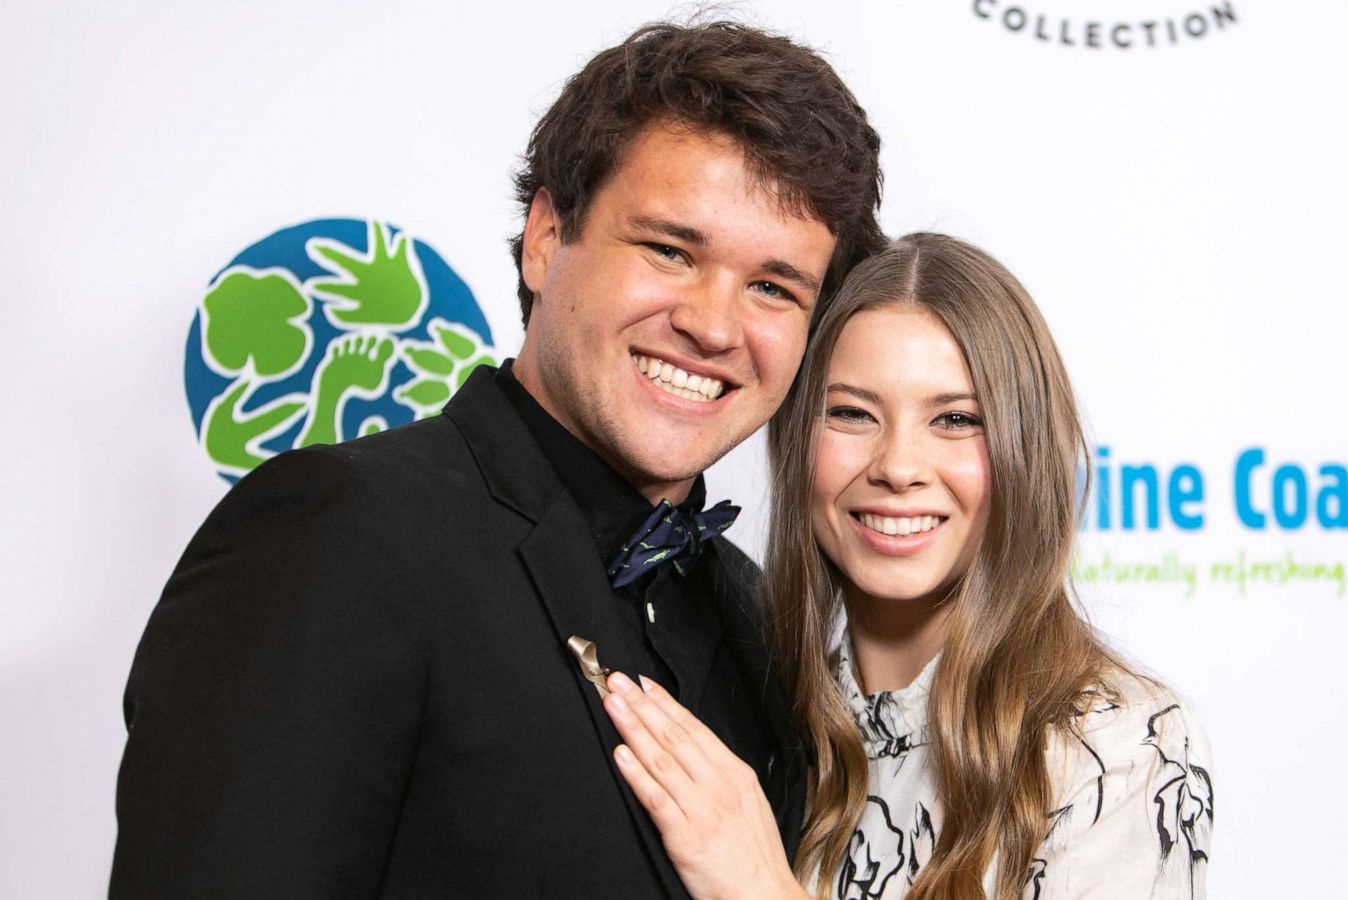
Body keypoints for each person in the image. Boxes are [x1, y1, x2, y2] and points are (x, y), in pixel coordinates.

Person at [112, 21, 885, 899]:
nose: (713, 326)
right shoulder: (341, 533)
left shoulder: (756, 618)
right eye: (671, 250)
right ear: (548, 238)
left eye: (772, 287)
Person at [599, 233, 1214, 899]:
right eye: (853, 414)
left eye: (953, 419)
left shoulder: (1119, 744)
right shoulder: (768, 718)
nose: (896, 467)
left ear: (1024, 452)